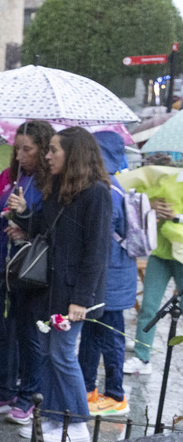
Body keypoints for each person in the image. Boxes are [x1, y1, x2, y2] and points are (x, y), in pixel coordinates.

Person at [8, 127, 111, 442]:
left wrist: (81, 299)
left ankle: (78, 421)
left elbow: (95, 252)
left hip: (72, 295)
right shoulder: (56, 190)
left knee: (63, 354)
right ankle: (55, 416)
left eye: (53, 150)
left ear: (74, 154)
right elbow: (43, 231)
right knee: (50, 356)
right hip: (48, 290)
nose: (47, 155)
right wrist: (24, 213)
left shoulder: (97, 193)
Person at [0, 120, 53, 425]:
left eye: (28, 149)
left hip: (28, 272)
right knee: (2, 333)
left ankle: (28, 395)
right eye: (17, 148)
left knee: (28, 336)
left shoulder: (50, 184)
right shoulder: (8, 177)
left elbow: (49, 227)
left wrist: (24, 214)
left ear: (43, 149)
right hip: (0, 268)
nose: (21, 155)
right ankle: (4, 389)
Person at [79, 131, 138, 416]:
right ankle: (87, 388)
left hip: (112, 279)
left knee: (112, 334)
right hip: (110, 277)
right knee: (92, 333)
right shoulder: (110, 186)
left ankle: (116, 395)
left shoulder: (110, 191)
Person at [126, 174, 183, 377]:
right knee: (148, 307)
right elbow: (137, 205)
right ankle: (142, 355)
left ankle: (144, 342)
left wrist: (176, 217)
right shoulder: (166, 179)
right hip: (159, 254)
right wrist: (151, 205)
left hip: (182, 254)